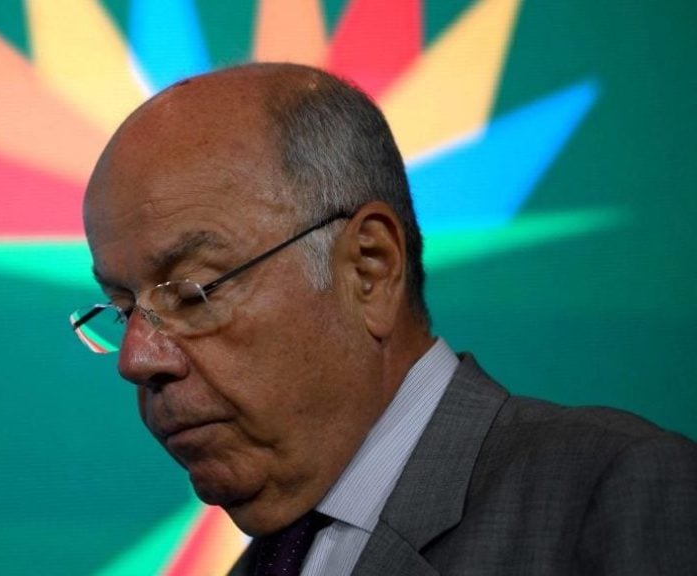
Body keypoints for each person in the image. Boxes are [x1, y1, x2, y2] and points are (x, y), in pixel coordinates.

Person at [70, 63, 697, 575]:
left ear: (369, 269)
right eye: (123, 310)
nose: (136, 359)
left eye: (190, 292)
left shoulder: (619, 497)